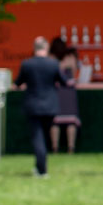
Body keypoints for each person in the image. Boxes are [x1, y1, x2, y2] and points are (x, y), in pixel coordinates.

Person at [14, 36, 69, 178]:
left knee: (38, 138)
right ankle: (40, 167)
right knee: (43, 137)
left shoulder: (27, 64)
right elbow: (64, 82)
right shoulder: (53, 64)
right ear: (46, 48)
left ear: (34, 48)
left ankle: (42, 170)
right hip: (50, 107)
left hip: (33, 106)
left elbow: (18, 83)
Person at [50, 45, 81, 153]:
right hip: (63, 92)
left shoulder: (53, 59)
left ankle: (60, 148)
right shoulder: (68, 58)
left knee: (65, 121)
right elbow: (74, 70)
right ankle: (67, 148)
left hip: (62, 92)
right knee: (58, 121)